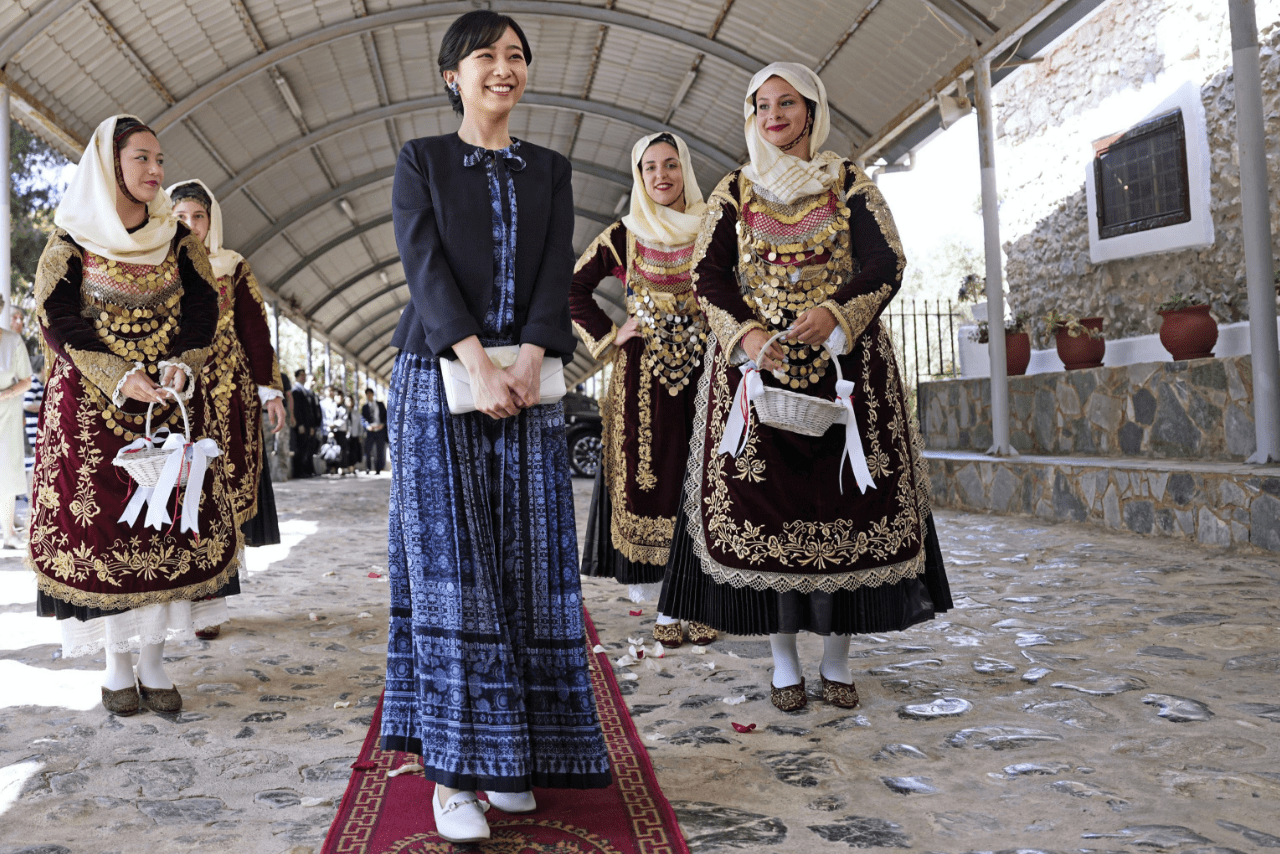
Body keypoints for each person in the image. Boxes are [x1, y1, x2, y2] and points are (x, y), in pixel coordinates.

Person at [658, 64, 953, 713]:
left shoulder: (847, 180)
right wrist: (746, 335)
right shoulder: (735, 189)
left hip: (845, 373)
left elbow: (886, 261)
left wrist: (836, 313)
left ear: (811, 111)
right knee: (768, 514)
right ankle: (784, 662)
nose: (773, 115)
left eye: (786, 102)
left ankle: (837, 661)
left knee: (846, 510)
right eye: (761, 105)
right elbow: (708, 276)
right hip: (757, 374)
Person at [381, 10, 610, 843]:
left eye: (515, 55)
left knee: (529, 571)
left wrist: (532, 358)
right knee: (454, 575)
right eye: (486, 56)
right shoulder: (423, 160)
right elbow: (424, 266)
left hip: (528, 386)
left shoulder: (550, 168)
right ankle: (452, 777)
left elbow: (555, 270)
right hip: (440, 382)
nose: (503, 67)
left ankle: (513, 759)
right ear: (454, 75)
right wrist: (477, 364)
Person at [28, 115, 238, 715]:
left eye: (160, 160)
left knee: (165, 529)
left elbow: (203, 311)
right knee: (106, 533)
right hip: (92, 415)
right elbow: (58, 320)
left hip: (167, 405)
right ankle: (115, 666)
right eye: (142, 158)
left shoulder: (178, 240)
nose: (155, 171)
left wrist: (183, 365)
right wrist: (118, 375)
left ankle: (153, 661)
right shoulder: (69, 243)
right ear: (109, 165)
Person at [571, 132, 717, 648]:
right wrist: (612, 334)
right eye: (649, 167)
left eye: (670, 164)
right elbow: (573, 287)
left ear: (685, 169)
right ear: (639, 176)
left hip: (707, 371)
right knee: (655, 481)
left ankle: (704, 599)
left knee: (706, 479)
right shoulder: (625, 234)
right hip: (643, 383)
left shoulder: (713, 227)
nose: (661, 176)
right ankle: (667, 606)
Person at [169, 179, 286, 558]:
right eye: (180, 216)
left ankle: (227, 565)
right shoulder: (155, 268)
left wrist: (270, 393)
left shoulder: (232, 266)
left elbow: (255, 329)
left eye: (198, 216)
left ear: (211, 220)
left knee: (227, 469)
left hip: (230, 391)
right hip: (175, 390)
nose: (190, 225)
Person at [0, 299, 32, 549]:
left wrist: (6, 394)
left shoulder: (13, 341)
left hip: (7, 413)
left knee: (7, 472)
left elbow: (26, 380)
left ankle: (9, 533)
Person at [290, 369, 319, 478]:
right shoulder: (295, 390)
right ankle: (298, 472)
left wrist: (311, 426)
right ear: (296, 376)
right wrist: (300, 424)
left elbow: (309, 410)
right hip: (301, 424)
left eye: (304, 375)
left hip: (307, 424)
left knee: (306, 447)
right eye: (301, 375)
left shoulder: (305, 391)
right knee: (300, 447)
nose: (303, 377)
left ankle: (305, 470)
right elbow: (296, 409)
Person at [359, 387, 386, 474]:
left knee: (379, 450)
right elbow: (362, 419)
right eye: (367, 394)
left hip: (380, 429)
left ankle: (378, 469)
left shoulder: (380, 404)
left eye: (370, 394)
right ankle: (368, 468)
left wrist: (382, 425)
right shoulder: (365, 407)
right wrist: (367, 426)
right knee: (368, 450)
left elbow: (385, 416)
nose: (369, 395)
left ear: (373, 394)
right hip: (370, 430)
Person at [343, 392, 363, 474]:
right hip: (345, 435)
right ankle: (346, 466)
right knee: (346, 451)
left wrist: (360, 434)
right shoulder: (342, 411)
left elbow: (360, 425)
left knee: (354, 451)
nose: (349, 403)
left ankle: (353, 466)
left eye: (350, 401)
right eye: (347, 401)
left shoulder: (356, 412)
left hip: (354, 435)